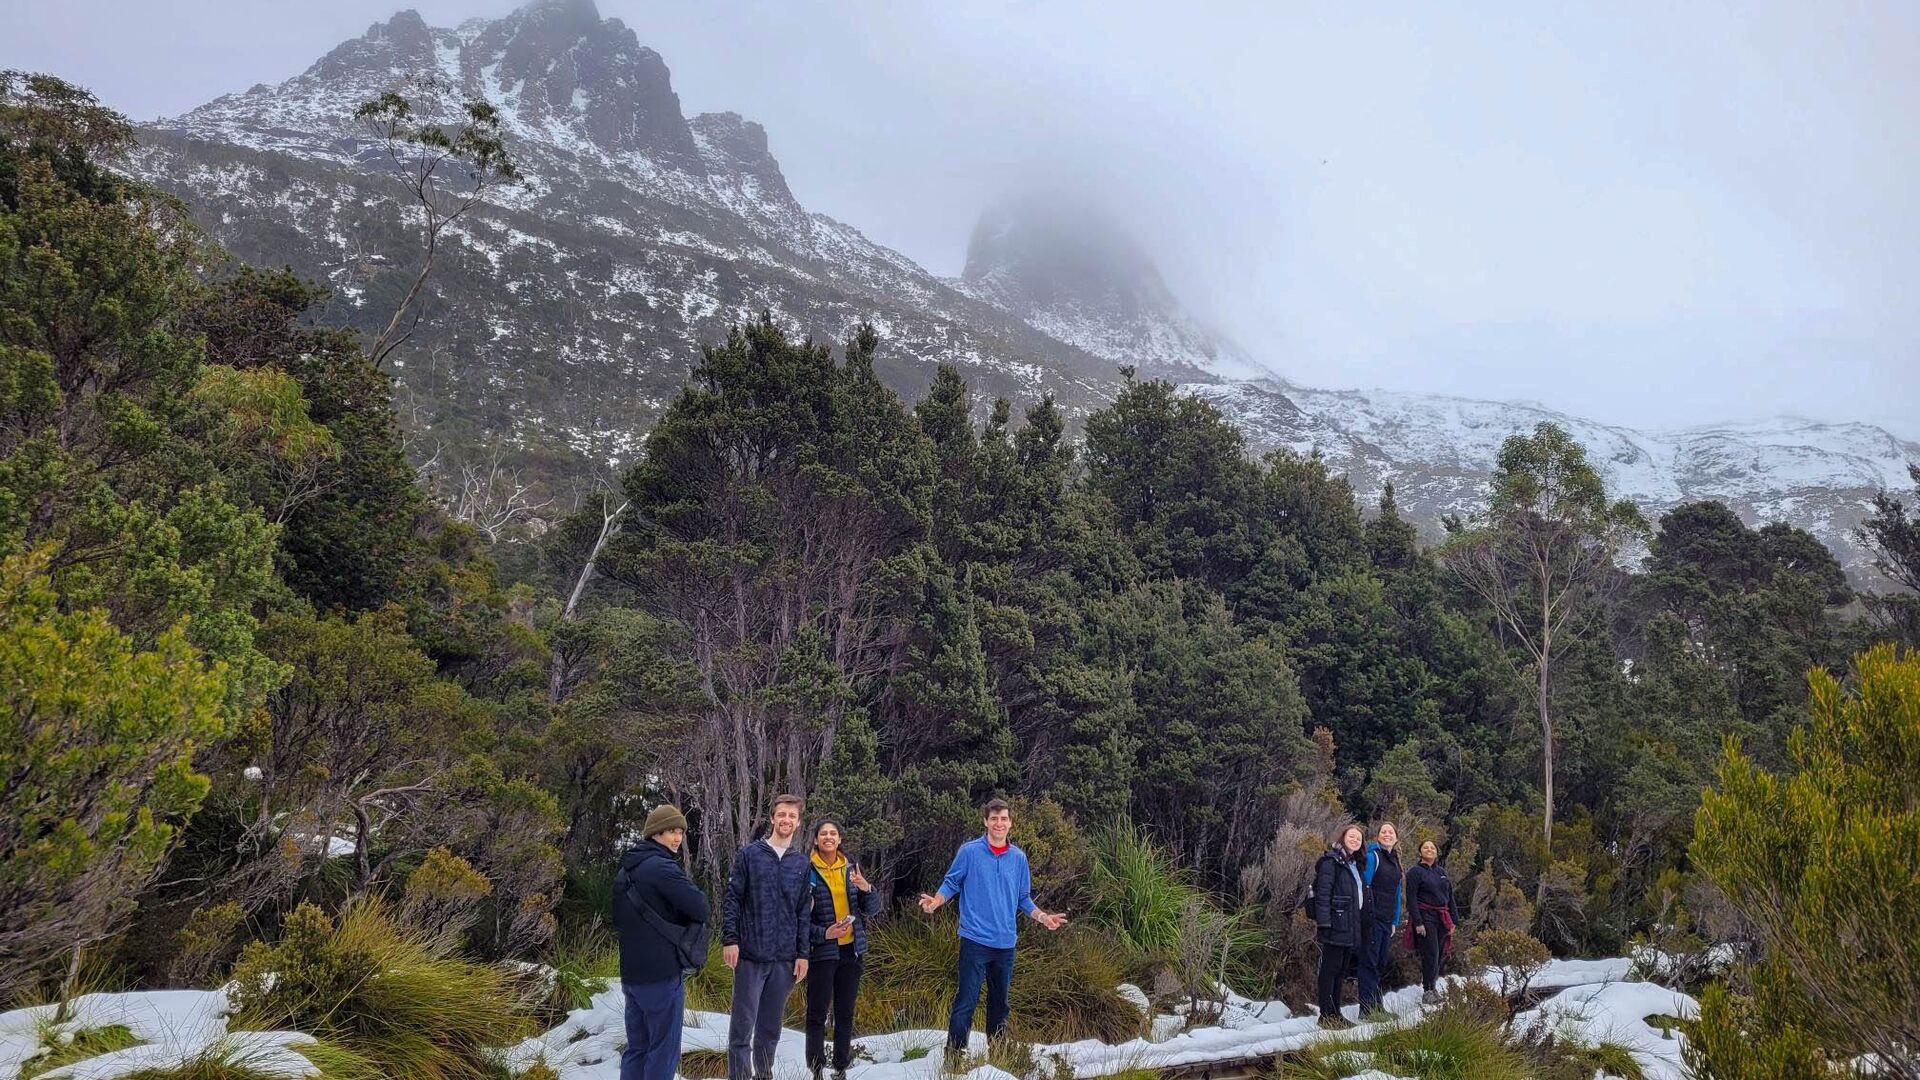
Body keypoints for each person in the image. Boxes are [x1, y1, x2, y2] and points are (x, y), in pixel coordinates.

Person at [918, 799, 1069, 1068]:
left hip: (1005, 944)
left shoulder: (1019, 858)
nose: (999, 823)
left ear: (1010, 823)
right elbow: (952, 882)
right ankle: (953, 1059)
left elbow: (1023, 897)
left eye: (1004, 819)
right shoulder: (970, 852)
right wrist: (937, 901)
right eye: (994, 819)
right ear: (986, 822)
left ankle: (997, 1058)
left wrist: (1043, 917)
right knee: (966, 1001)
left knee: (1000, 1005)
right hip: (974, 941)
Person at [614, 804, 710, 1080]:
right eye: (670, 831)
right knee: (663, 1051)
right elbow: (701, 907)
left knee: (637, 1049)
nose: (677, 837)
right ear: (654, 833)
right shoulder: (662, 868)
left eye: (680, 831)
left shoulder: (626, 870)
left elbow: (620, 921)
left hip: (632, 977)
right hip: (661, 975)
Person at [723, 794, 814, 1080]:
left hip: (784, 960)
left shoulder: (801, 864)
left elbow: (803, 912)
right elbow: (733, 899)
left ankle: (764, 1075)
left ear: (798, 823)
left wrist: (803, 954)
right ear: (772, 818)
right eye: (781, 814)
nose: (786, 820)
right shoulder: (750, 855)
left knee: (770, 1029)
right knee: (742, 1027)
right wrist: (730, 939)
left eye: (792, 816)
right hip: (750, 954)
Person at [804, 819, 878, 1080]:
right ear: (815, 840)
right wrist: (824, 933)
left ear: (840, 839)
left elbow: (872, 909)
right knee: (817, 1013)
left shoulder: (851, 869)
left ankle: (841, 1066)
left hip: (851, 952)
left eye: (833, 833)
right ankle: (816, 1068)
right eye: (823, 833)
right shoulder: (807, 870)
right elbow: (799, 919)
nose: (828, 837)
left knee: (845, 1013)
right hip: (823, 952)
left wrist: (867, 889)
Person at [1311, 823, 1366, 1029]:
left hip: (1349, 926)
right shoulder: (1331, 862)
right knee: (1329, 970)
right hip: (1335, 924)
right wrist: (1324, 923)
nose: (1355, 840)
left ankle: (1336, 1012)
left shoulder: (1353, 864)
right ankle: (1326, 1015)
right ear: (1343, 837)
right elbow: (1323, 895)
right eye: (1351, 836)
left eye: (1358, 838)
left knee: (1341, 970)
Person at [1402, 839, 1459, 1004]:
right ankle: (1427, 990)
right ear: (1420, 852)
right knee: (1430, 953)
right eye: (1425, 847)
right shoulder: (1415, 872)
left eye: (1432, 847)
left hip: (1442, 917)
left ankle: (1433, 987)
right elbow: (1411, 898)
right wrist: (1418, 922)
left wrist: (1453, 921)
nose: (1429, 849)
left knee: (1439, 954)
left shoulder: (1441, 872)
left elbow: (1450, 897)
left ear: (1436, 852)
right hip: (1426, 916)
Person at [1356, 822, 1403, 1018]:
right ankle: (1366, 1010)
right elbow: (1363, 886)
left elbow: (1397, 893)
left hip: (1386, 920)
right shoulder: (1372, 856)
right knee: (1369, 962)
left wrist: (1394, 921)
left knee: (1380, 963)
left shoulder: (1395, 861)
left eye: (1390, 832)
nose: (1387, 834)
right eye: (1383, 832)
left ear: (1396, 838)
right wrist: (1364, 917)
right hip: (1372, 919)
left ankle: (1377, 1007)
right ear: (1378, 836)